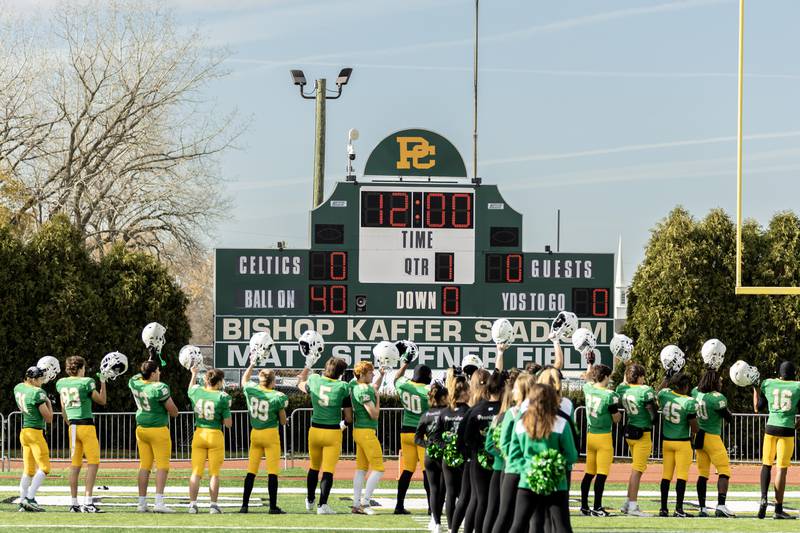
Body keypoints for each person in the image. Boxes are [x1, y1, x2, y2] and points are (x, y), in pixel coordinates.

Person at [508, 383, 578, 533]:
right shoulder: (561, 423)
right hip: (557, 482)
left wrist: (530, 469)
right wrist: (554, 467)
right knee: (562, 527)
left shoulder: (520, 424)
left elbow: (513, 457)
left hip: (528, 482)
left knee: (519, 525)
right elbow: (571, 455)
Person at [298, 357, 352, 515]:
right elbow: (349, 418)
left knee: (314, 467)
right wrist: (342, 426)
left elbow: (300, 384)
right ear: (341, 373)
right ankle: (322, 505)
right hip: (332, 432)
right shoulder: (343, 386)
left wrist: (306, 369)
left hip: (315, 431)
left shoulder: (314, 379)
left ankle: (309, 500)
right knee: (328, 471)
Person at [56, 355, 107, 512]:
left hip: (72, 427)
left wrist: (69, 423)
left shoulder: (61, 383)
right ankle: (88, 501)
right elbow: (102, 400)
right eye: (84, 368)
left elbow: (63, 407)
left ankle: (74, 503)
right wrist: (103, 383)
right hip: (86, 426)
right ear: (79, 368)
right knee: (93, 463)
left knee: (75, 465)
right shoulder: (86, 382)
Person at [129, 360, 179, 513]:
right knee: (162, 467)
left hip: (141, 429)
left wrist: (149, 359)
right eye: (157, 371)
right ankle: (159, 502)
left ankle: (141, 503)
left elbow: (138, 375)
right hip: (157, 430)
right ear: (152, 374)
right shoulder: (159, 388)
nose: (160, 373)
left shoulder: (135, 383)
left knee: (145, 466)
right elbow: (173, 411)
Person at [754, 360, 800, 519]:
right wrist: (797, 423)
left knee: (766, 464)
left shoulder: (768, 383)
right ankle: (778, 509)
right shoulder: (797, 387)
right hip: (787, 429)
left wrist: (754, 389)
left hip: (771, 427)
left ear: (779, 373)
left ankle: (763, 498)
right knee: (781, 469)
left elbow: (757, 408)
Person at [240, 363, 288, 514]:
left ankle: (244, 506)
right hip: (270, 434)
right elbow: (282, 421)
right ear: (273, 382)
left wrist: (252, 364)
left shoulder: (251, 390)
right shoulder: (277, 397)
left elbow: (244, 379)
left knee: (251, 471)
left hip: (255, 434)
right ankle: (273, 507)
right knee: (272, 472)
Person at [491, 372, 535, 533]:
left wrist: (514, 458)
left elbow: (504, 443)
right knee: (524, 517)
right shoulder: (539, 412)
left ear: (523, 390)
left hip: (513, 469)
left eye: (516, 388)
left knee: (506, 516)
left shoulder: (513, 413)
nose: (513, 392)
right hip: (529, 469)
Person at [186, 367, 232, 514]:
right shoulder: (222, 397)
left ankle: (192, 505)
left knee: (196, 472)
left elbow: (190, 389)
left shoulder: (197, 392)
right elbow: (228, 423)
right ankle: (213, 505)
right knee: (214, 474)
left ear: (206, 380)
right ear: (218, 382)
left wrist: (193, 374)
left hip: (199, 434)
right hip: (214, 435)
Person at [615, 363, 657, 517]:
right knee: (637, 471)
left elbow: (623, 384)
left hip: (631, 433)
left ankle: (627, 502)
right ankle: (633, 506)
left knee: (635, 469)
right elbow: (654, 416)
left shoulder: (622, 389)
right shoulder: (645, 390)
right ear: (639, 377)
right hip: (642, 435)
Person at [692, 368, 734, 517]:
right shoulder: (717, 398)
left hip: (699, 437)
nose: (721, 382)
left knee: (703, 473)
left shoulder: (695, 392)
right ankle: (721, 505)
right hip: (712, 437)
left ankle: (702, 508)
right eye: (719, 380)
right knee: (724, 470)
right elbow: (728, 417)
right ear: (714, 382)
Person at [580, 363, 621, 517]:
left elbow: (587, 377)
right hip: (604, 437)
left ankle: (584, 506)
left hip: (591, 436)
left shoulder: (588, 388)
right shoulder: (609, 395)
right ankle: (597, 507)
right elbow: (616, 418)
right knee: (602, 474)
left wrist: (589, 364)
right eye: (609, 376)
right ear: (605, 376)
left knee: (589, 473)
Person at [393, 361, 432, 514]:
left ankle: (399, 505)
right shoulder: (427, 390)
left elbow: (396, 379)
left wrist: (404, 364)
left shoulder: (404, 385)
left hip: (406, 431)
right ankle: (431, 507)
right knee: (426, 471)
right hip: (422, 432)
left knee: (407, 470)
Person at [657, 372, 698, 517]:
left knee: (666, 476)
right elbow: (694, 427)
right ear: (686, 386)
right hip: (682, 442)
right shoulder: (688, 401)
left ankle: (663, 508)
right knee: (681, 476)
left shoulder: (665, 394)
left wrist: (665, 379)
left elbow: (658, 392)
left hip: (667, 441)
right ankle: (678, 509)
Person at [15, 366, 54, 512]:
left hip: (24, 432)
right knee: (44, 468)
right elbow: (49, 418)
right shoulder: (38, 393)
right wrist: (49, 403)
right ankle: (30, 498)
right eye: (40, 379)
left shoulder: (18, 387)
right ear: (32, 379)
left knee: (28, 470)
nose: (42, 381)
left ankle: (22, 501)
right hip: (35, 433)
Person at [350, 360, 386, 515]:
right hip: (366, 431)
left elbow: (373, 387)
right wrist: (378, 398)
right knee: (378, 468)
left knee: (361, 469)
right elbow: (374, 414)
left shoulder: (355, 385)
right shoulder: (364, 390)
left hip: (359, 430)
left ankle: (357, 503)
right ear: (363, 374)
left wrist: (381, 376)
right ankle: (365, 503)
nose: (373, 374)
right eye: (371, 372)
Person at [415, 381, 449, 533]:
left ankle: (436, 523)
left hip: (429, 456)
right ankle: (443, 522)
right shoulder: (447, 413)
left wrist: (429, 445)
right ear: (443, 398)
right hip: (444, 455)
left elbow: (417, 438)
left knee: (434, 489)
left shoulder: (426, 415)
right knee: (445, 490)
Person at [442, 369, 470, 527]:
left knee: (451, 493)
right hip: (464, 458)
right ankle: (464, 525)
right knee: (465, 494)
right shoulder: (469, 411)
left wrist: (446, 446)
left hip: (448, 457)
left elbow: (436, 435)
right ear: (465, 392)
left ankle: (452, 527)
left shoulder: (446, 411)